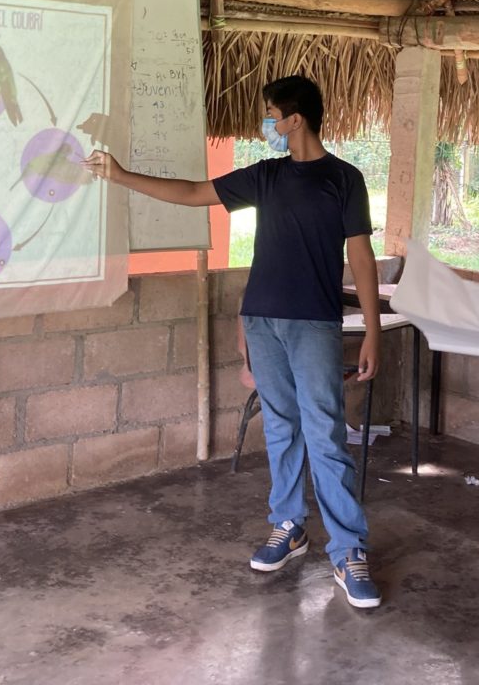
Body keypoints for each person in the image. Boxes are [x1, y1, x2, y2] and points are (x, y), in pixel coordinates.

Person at [84, 75, 385, 609]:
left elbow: (360, 258)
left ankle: (347, 551)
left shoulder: (344, 179)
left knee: (325, 433)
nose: (266, 124)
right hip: (262, 318)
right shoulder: (266, 176)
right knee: (280, 427)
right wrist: (122, 175)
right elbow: (192, 194)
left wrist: (372, 331)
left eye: (272, 115)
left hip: (314, 322)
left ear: (295, 120)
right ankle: (289, 527)